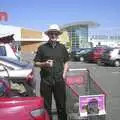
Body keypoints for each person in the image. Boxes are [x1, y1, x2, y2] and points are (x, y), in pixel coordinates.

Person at [34, 24, 69, 120]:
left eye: (55, 33)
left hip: (59, 80)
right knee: (46, 107)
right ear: (48, 35)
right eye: (51, 33)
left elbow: (66, 61)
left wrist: (64, 73)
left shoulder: (62, 47)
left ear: (58, 35)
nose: (53, 35)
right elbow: (36, 63)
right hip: (46, 81)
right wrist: (44, 64)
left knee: (61, 106)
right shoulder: (42, 48)